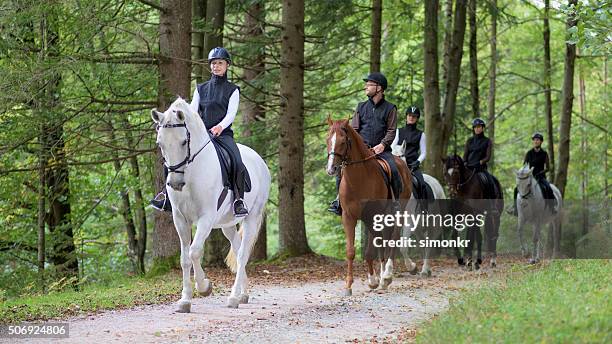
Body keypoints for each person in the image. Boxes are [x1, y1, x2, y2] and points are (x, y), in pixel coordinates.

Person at [151, 47, 249, 217]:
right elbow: (193, 112)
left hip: (222, 135)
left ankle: (238, 200)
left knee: (237, 161)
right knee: (173, 156)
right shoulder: (201, 88)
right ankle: (166, 195)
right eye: (213, 63)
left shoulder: (232, 90)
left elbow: (231, 114)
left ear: (227, 65)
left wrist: (220, 127)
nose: (216, 66)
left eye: (220, 63)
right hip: (202, 136)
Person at [328, 72, 400, 215]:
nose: (366, 87)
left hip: (382, 150)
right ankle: (338, 202)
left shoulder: (390, 108)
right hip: (362, 151)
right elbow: (354, 130)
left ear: (379, 88)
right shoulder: (360, 107)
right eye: (366, 84)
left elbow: (392, 130)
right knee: (341, 171)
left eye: (369, 84)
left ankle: (396, 203)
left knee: (394, 169)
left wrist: (383, 145)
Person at [509, 132, 557, 215]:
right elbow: (524, 166)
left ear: (541, 142)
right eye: (534, 140)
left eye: (538, 140)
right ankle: (515, 208)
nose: (536, 141)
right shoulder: (529, 153)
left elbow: (548, 168)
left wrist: (540, 173)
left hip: (540, 177)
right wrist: (525, 173)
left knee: (547, 188)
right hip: (529, 177)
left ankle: (552, 207)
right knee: (516, 189)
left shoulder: (544, 154)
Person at [392, 106, 427, 199]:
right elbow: (392, 146)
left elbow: (424, 152)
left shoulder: (421, 134)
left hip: (413, 165)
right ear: (406, 116)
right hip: (398, 163)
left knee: (422, 184)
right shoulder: (398, 131)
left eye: (414, 116)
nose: (411, 118)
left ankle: (424, 208)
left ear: (417, 118)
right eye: (409, 115)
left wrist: (418, 162)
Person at [463, 118, 496, 198]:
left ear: (483, 128)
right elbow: (465, 155)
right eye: (475, 127)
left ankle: (492, 204)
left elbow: (488, 157)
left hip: (480, 169)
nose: (477, 129)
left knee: (490, 181)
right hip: (469, 168)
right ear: (473, 129)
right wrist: (465, 162)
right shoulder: (469, 141)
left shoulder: (487, 141)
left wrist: (480, 162)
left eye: (479, 127)